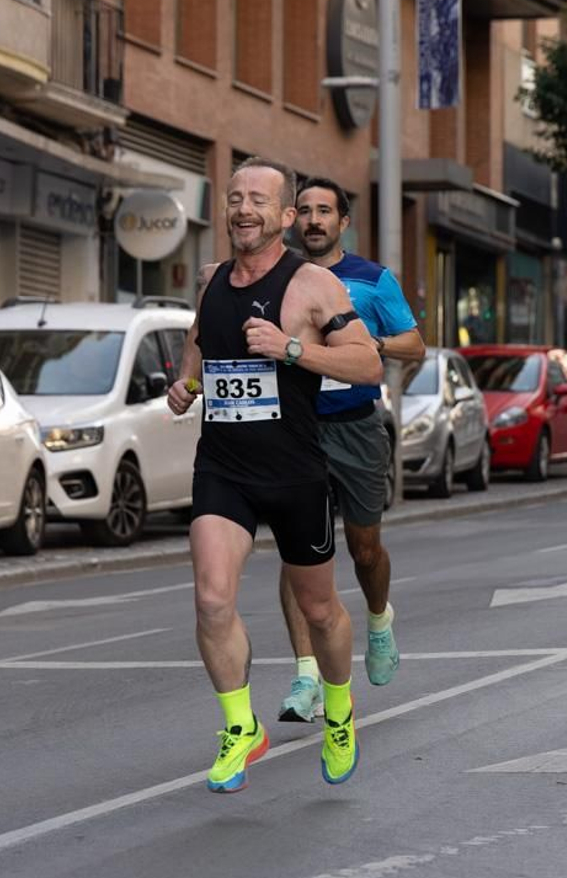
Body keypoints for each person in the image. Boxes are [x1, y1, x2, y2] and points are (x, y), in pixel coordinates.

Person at [166, 156, 382, 793]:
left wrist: (291, 349)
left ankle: (339, 711)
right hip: (224, 465)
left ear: (285, 217)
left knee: (320, 612)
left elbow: (367, 364)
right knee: (211, 598)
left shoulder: (313, 284)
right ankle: (240, 727)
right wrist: (183, 390)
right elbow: (197, 356)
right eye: (235, 198)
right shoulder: (210, 281)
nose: (243, 209)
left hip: (294, 470)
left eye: (258, 199)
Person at [277, 177, 425, 723]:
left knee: (365, 551)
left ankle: (380, 619)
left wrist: (362, 343)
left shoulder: (372, 279)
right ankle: (306, 676)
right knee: (299, 551)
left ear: (343, 222)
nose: (314, 220)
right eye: (306, 211)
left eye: (325, 212)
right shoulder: (278, 277)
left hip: (357, 427)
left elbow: (415, 344)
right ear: (293, 219)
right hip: (296, 429)